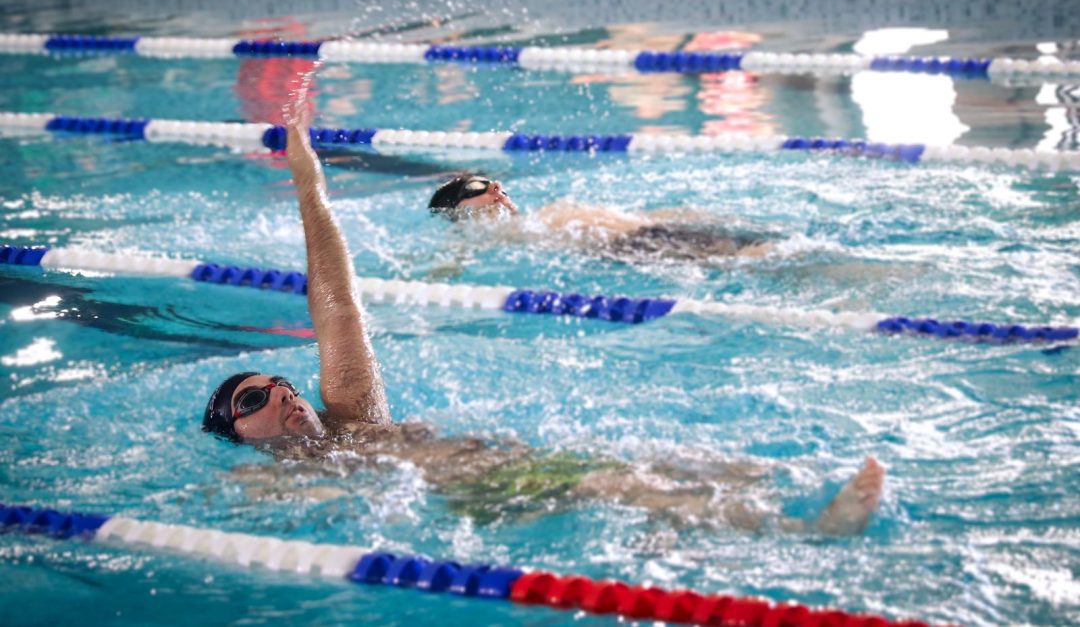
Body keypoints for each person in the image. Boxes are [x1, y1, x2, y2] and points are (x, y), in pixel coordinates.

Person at [202, 122, 885, 534]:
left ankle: (773, 498)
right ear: (235, 435)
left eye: (279, 383)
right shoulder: (285, 473)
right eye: (252, 400)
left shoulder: (352, 411)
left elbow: (338, 305)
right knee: (622, 486)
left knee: (675, 466)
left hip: (505, 459)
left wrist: (310, 190)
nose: (281, 395)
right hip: (484, 492)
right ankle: (806, 530)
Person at [427, 173, 776, 263]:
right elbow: (453, 260)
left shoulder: (534, 219)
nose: (495, 187)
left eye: (492, 182)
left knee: (767, 248)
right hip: (636, 244)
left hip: (655, 231)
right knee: (762, 254)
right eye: (478, 187)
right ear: (461, 211)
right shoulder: (493, 236)